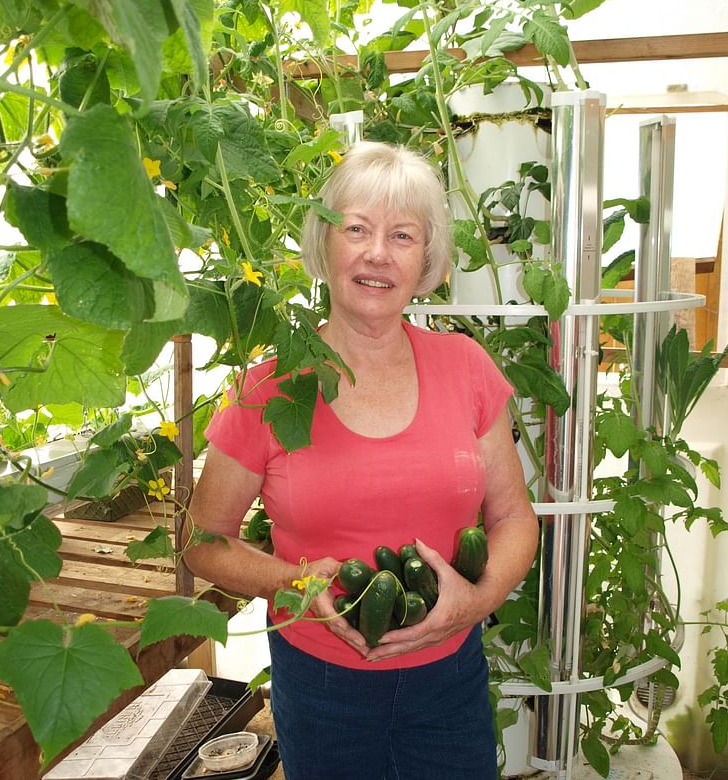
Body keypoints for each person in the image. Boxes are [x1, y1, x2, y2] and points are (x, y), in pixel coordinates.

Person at [183, 141, 539, 779]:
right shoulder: (267, 387)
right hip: (321, 685)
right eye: (356, 229)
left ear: (425, 257)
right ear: (324, 244)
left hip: (450, 677)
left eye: (402, 235)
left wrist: (476, 601)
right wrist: (293, 582)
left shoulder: (466, 366)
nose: (378, 253)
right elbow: (203, 542)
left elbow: (514, 517)